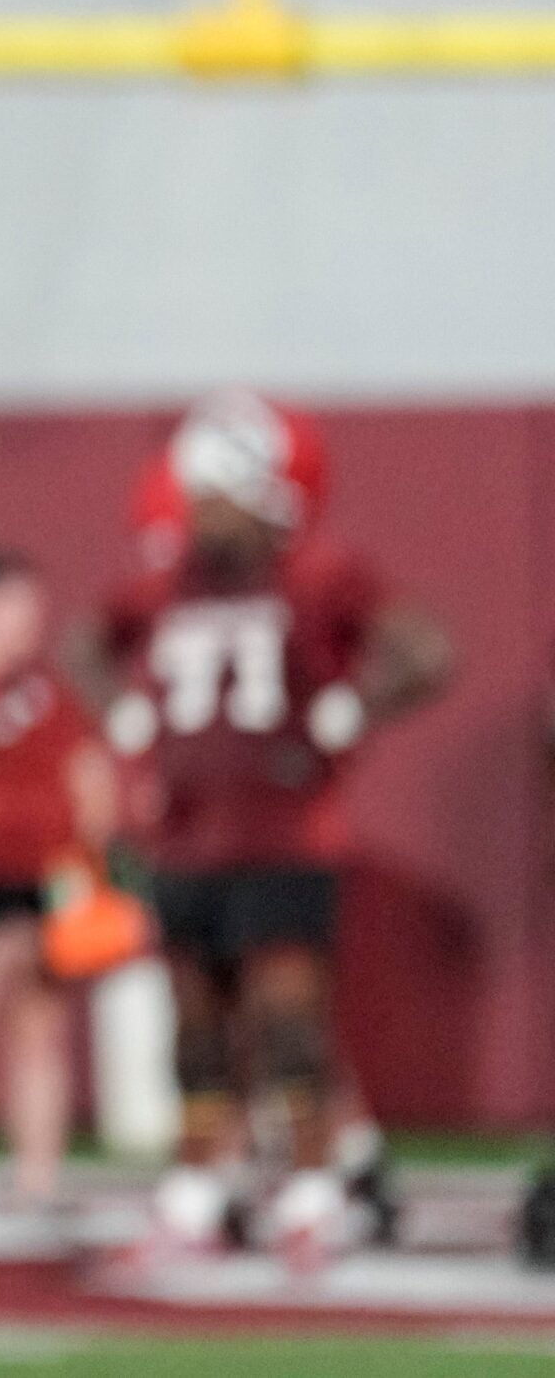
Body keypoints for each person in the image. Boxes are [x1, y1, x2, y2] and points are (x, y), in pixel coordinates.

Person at [76, 391, 450, 1270]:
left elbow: (427, 648)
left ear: (266, 491)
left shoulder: (318, 574)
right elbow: (86, 643)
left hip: (287, 833)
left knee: (289, 1021)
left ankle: (318, 1194)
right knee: (197, 1032)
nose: (200, 507)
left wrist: (350, 710)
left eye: (218, 489)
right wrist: (127, 715)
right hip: (189, 834)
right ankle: (200, 1192)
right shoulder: (162, 583)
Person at [0, 548, 116, 1221]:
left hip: (45, 877)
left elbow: (88, 769)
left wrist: (93, 865)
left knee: (38, 1032)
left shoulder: (49, 691)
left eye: (30, 611)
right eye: (9, 609)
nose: (23, 625)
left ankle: (37, 1178)